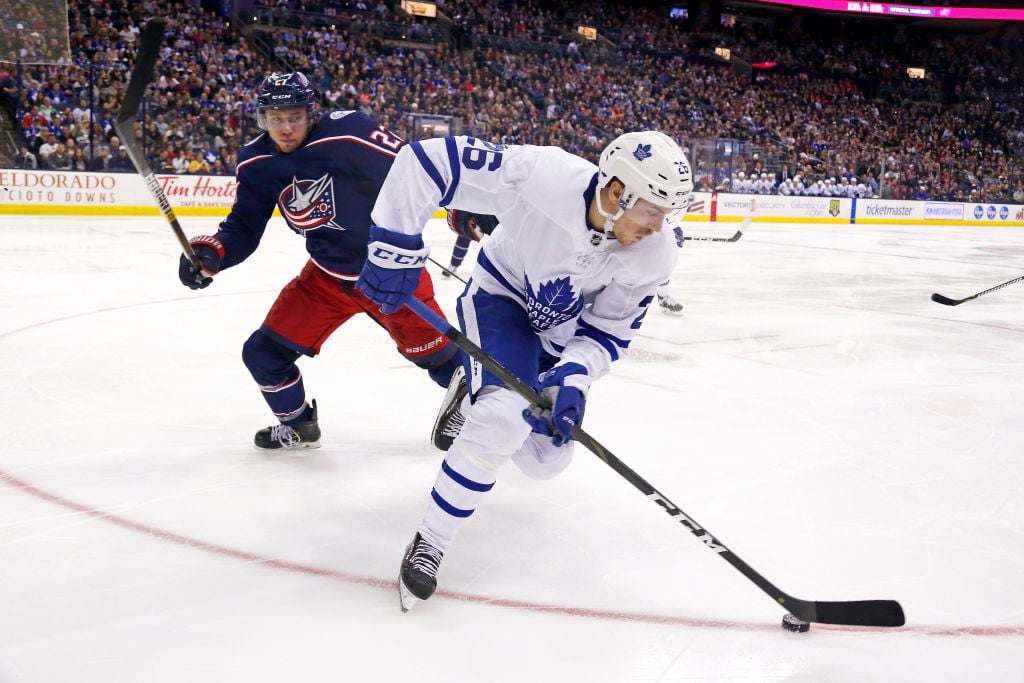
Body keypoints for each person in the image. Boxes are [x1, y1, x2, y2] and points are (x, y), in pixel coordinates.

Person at [355, 130, 693, 610]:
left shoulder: (654, 254)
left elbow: (607, 333)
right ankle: (431, 541)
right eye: (654, 211)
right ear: (618, 192)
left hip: (561, 337)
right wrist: (394, 245)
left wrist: (573, 377)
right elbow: (427, 160)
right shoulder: (543, 175)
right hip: (502, 300)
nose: (659, 227)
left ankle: (469, 392)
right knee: (502, 417)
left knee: (545, 462)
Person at [177, 71, 464, 450]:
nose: (285, 127)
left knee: (446, 364)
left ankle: (489, 413)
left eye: (294, 116)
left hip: (389, 271)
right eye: (275, 118)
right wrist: (213, 252)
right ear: (262, 118)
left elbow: (415, 168)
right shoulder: (256, 162)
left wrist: (464, 206)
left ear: (312, 113)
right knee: (263, 354)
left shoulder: (351, 134)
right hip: (325, 280)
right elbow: (243, 226)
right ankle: (298, 424)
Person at [439, 210, 500, 278]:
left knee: (498, 236)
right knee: (464, 237)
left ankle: (500, 267)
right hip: (473, 212)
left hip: (492, 213)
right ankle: (453, 265)